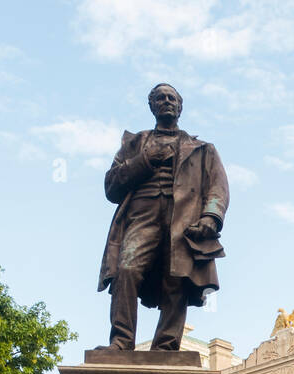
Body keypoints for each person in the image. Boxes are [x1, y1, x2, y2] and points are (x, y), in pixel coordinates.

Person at [97, 82, 230, 351]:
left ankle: (167, 346)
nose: (166, 101)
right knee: (127, 270)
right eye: (160, 97)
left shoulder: (203, 149)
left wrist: (210, 218)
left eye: (172, 97)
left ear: (180, 106)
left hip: (184, 217)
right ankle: (121, 341)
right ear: (152, 106)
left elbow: (217, 187)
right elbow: (111, 186)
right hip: (141, 214)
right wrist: (145, 160)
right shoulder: (134, 144)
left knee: (177, 279)